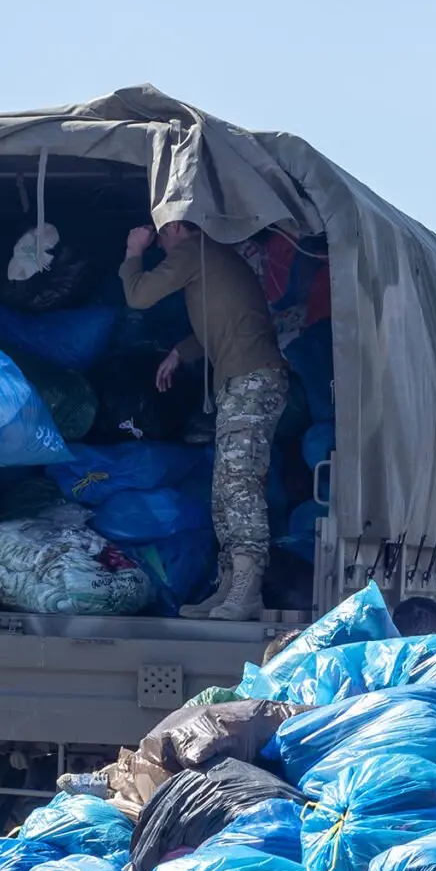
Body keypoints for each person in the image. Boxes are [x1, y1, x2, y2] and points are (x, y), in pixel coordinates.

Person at [119, 219, 286, 619]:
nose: (160, 243)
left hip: (250, 379)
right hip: (245, 378)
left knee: (239, 483)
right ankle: (229, 585)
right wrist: (181, 352)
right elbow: (226, 323)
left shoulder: (194, 250)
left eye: (160, 234)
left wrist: (133, 252)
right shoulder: (215, 258)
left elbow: (139, 296)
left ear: (176, 226)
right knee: (225, 486)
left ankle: (246, 588)